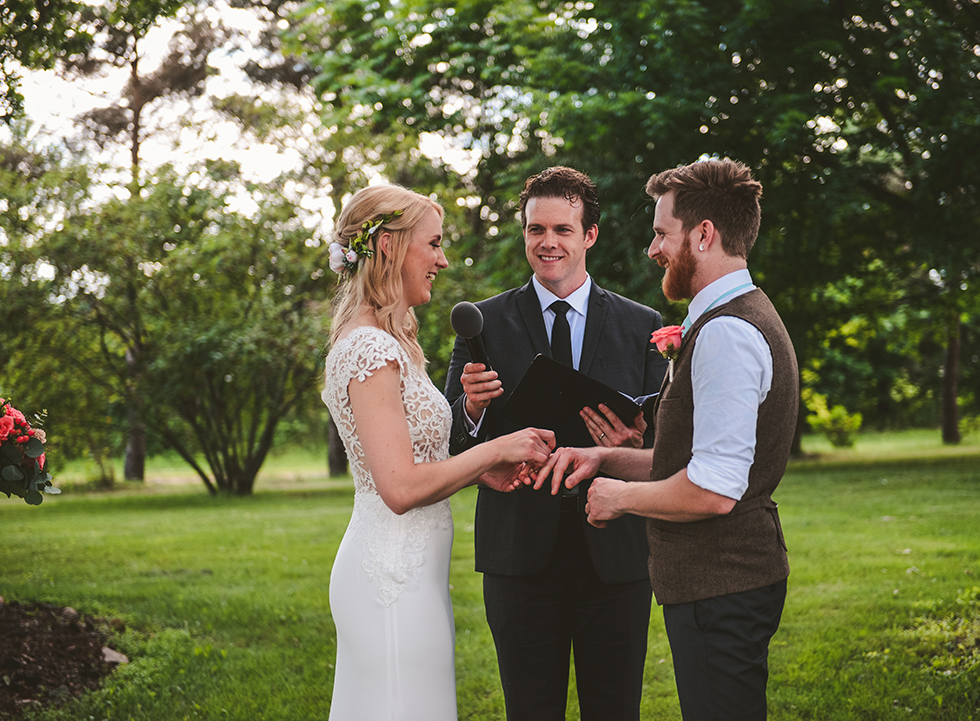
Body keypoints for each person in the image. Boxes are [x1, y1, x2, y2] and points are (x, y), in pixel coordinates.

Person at [533, 158, 799, 721]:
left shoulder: (727, 332)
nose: (652, 249)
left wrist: (618, 496)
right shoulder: (728, 319)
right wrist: (605, 456)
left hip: (721, 588)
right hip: (722, 585)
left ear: (703, 235)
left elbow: (712, 490)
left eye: (661, 233)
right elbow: (697, 460)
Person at [320, 184, 555, 721]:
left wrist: (477, 473)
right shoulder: (370, 348)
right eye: (434, 244)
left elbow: (415, 461)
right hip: (389, 576)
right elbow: (399, 488)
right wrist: (497, 447)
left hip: (417, 573)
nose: (443, 260)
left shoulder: (394, 339)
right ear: (389, 249)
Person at [443, 166, 668, 721]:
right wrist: (471, 408)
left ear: (589, 235)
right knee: (529, 710)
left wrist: (637, 439)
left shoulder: (643, 326)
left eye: (562, 230)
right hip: (518, 552)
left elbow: (669, 445)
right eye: (535, 229)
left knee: (615, 710)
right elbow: (448, 440)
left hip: (615, 553)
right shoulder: (483, 324)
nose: (547, 242)